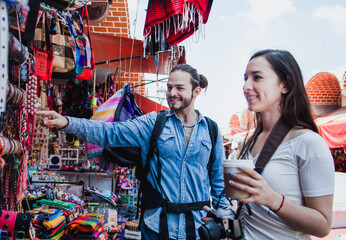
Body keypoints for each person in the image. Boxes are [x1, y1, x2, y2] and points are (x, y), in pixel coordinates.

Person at [36, 64, 229, 240]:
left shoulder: (211, 130)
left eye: (179, 88)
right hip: (156, 228)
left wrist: (224, 221)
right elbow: (110, 132)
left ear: (196, 91)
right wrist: (68, 123)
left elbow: (219, 184)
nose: (171, 93)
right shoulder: (154, 123)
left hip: (197, 230)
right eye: (169, 87)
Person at [220, 49, 335, 239]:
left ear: (286, 85)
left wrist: (273, 199)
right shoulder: (249, 143)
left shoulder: (309, 143)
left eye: (257, 77)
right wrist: (225, 220)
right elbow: (252, 214)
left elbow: (323, 226)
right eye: (245, 78)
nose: (246, 86)